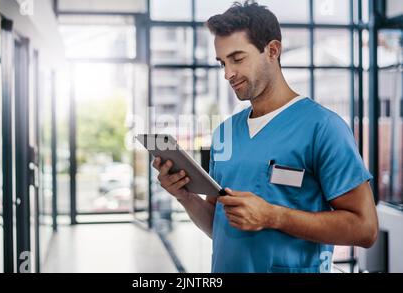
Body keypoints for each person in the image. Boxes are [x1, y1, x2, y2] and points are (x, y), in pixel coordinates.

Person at [152, 0, 378, 273]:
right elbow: (219, 225)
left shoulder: (324, 127)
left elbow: (365, 229)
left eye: (237, 58)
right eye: (222, 63)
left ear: (273, 50)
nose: (228, 73)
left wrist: (273, 216)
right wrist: (185, 197)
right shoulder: (225, 132)